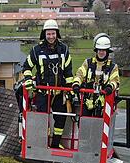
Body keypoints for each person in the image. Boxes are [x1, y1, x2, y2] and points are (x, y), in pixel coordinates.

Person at [21, 19, 74, 148]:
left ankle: (55, 144)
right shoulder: (36, 50)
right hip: (43, 93)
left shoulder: (64, 50)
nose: (51, 36)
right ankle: (43, 144)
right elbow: (26, 67)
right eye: (48, 34)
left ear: (57, 34)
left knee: (61, 119)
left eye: (53, 33)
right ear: (44, 34)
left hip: (59, 93)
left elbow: (68, 72)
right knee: (42, 120)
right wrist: (28, 80)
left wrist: (70, 90)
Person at [72, 33, 120, 117]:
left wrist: (110, 87)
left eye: (104, 50)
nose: (101, 52)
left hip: (103, 104)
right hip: (87, 101)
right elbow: (80, 74)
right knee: (84, 124)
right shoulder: (88, 63)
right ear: (96, 50)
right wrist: (76, 84)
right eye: (99, 50)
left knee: (100, 127)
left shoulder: (113, 67)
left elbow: (115, 80)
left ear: (107, 51)